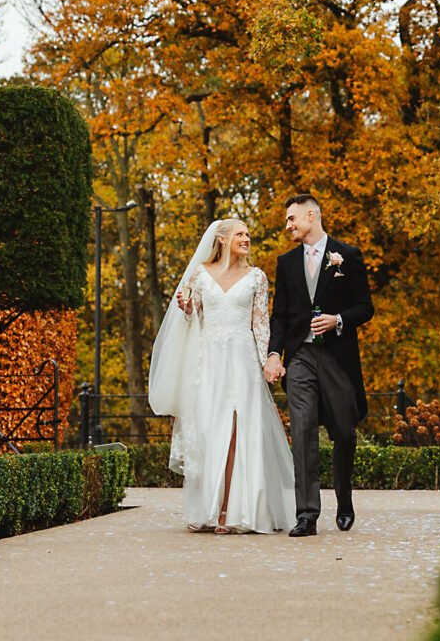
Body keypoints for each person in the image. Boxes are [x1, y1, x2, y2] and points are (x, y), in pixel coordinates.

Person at [148, 219, 294, 533]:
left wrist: (268, 361)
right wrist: (187, 309)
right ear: (223, 239)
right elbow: (194, 314)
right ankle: (207, 508)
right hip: (208, 360)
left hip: (241, 361)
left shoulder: (257, 277)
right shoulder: (200, 273)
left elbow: (261, 325)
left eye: (248, 234)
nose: (247, 238)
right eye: (240, 234)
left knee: (236, 432)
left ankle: (231, 509)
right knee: (208, 431)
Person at [264, 194, 374, 537]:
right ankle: (307, 514)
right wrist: (274, 354)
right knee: (302, 430)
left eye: (292, 219)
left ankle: (344, 498)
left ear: (312, 215)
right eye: (287, 220)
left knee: (344, 431)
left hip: (338, 358)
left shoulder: (348, 255)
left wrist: (338, 319)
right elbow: (279, 316)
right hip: (300, 359)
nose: (288, 226)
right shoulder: (286, 263)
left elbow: (365, 307)